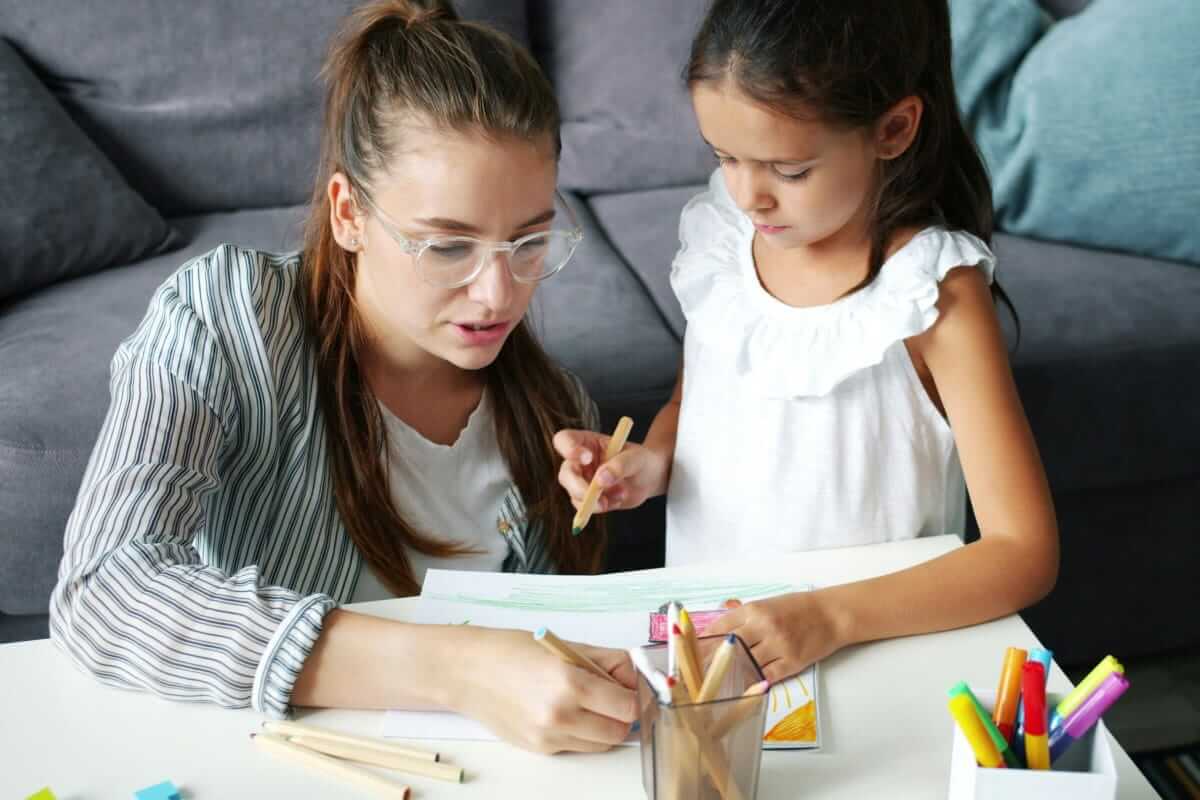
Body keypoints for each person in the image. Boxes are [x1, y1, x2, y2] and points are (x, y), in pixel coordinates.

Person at [50, 0, 637, 754]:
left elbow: (548, 651)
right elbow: (104, 593)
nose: (500, 295)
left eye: (528, 240)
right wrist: (456, 668)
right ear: (348, 212)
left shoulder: (553, 411)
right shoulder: (228, 318)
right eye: (447, 247)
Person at [556, 0, 1059, 684]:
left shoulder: (931, 293)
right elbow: (699, 400)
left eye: (787, 171)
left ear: (894, 128)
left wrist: (828, 617)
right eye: (725, 157)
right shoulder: (726, 239)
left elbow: (1023, 551)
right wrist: (650, 460)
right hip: (718, 652)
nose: (748, 195)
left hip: (865, 653)